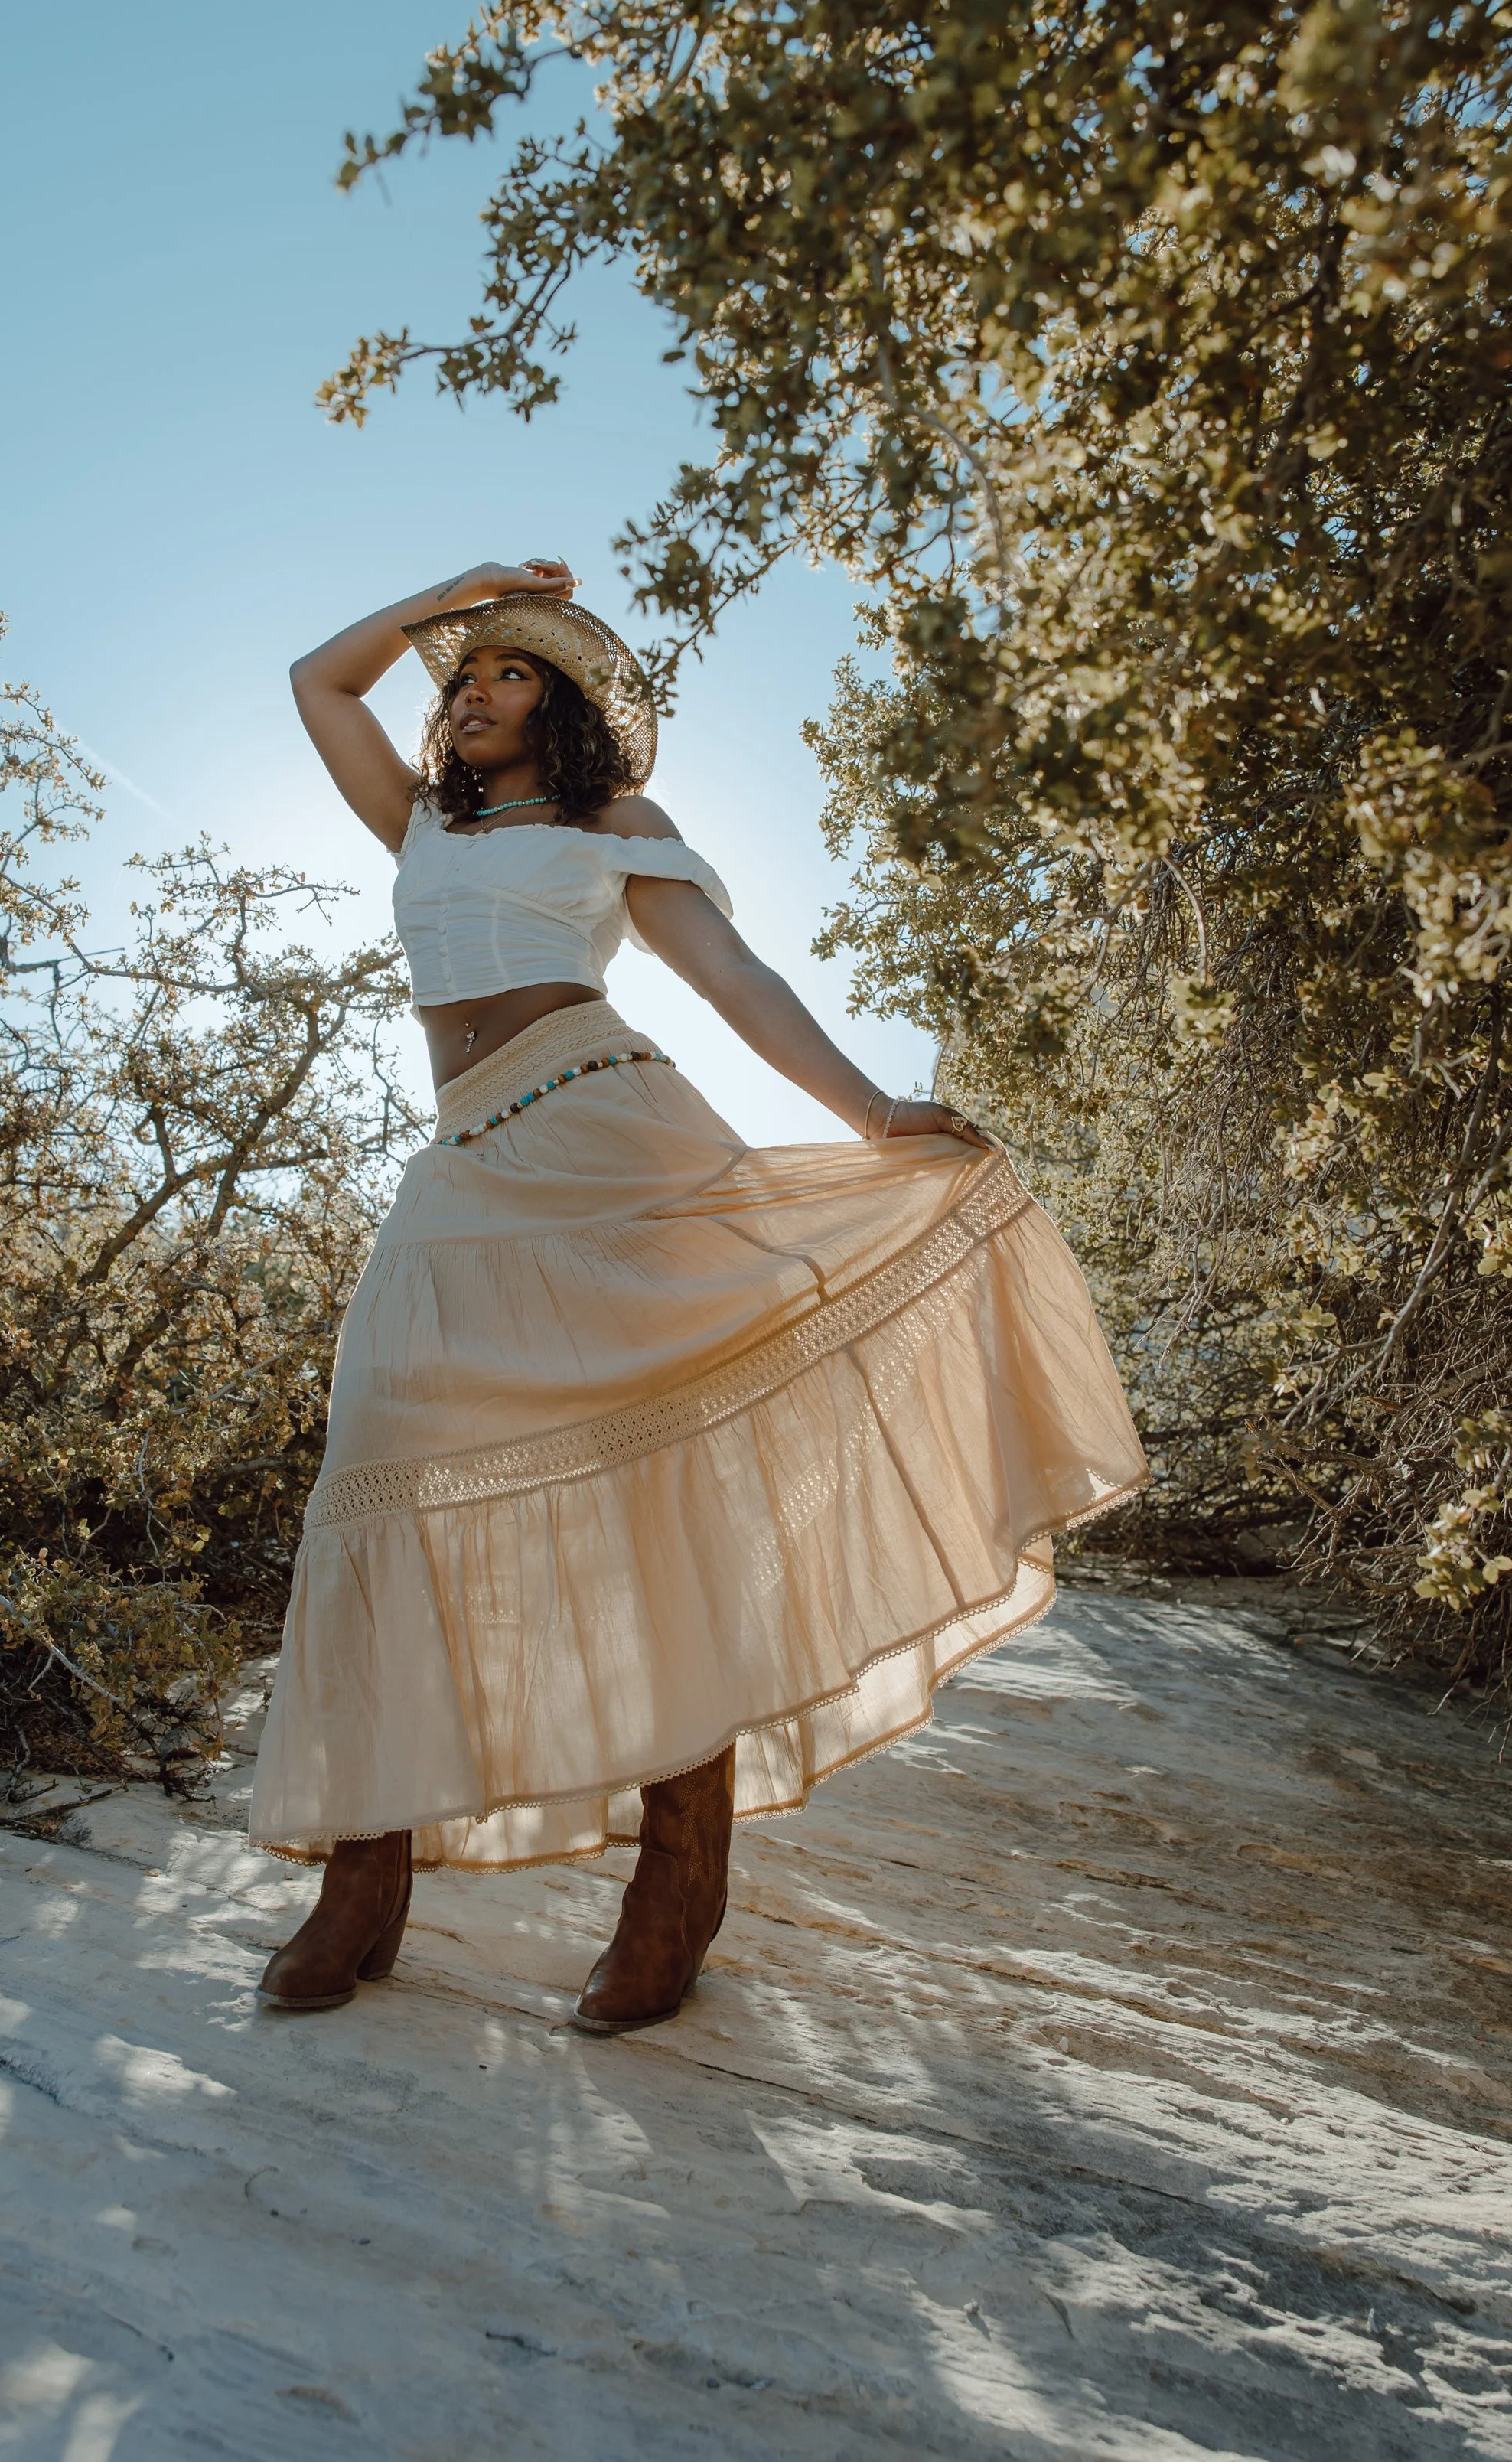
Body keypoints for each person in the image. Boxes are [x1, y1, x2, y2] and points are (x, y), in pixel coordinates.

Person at [249, 559, 1145, 2032]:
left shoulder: (616, 827)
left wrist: (871, 1116)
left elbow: (736, 976)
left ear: (573, 711)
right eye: (462, 675)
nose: (471, 689)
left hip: (617, 1141)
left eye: (509, 671)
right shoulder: (416, 820)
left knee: (661, 1487)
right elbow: (315, 682)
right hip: (464, 1165)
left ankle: (682, 1867)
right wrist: (460, 594)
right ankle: (367, 1861)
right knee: (381, 1465)